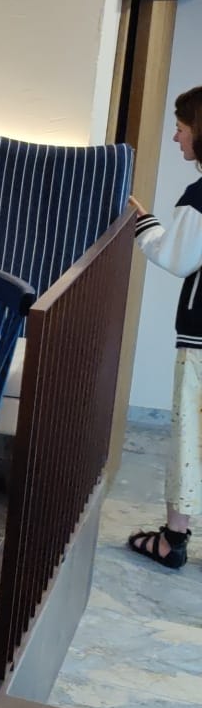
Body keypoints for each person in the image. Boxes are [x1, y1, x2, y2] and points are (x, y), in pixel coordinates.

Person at [126, 86, 202, 569]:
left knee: (191, 434)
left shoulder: (200, 196)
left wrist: (144, 223)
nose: (176, 137)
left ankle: (172, 540)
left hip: (201, 339)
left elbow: (177, 257)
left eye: (181, 127)